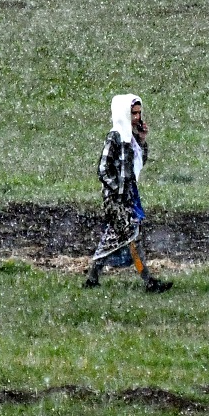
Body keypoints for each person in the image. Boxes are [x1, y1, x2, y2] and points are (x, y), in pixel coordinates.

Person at [83, 94, 173, 292]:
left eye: (139, 113)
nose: (137, 117)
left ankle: (92, 278)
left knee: (114, 238)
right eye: (133, 113)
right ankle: (148, 282)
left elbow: (137, 163)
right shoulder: (115, 137)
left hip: (128, 197)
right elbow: (103, 169)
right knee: (131, 238)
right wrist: (118, 190)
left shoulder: (129, 138)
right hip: (116, 201)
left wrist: (141, 140)